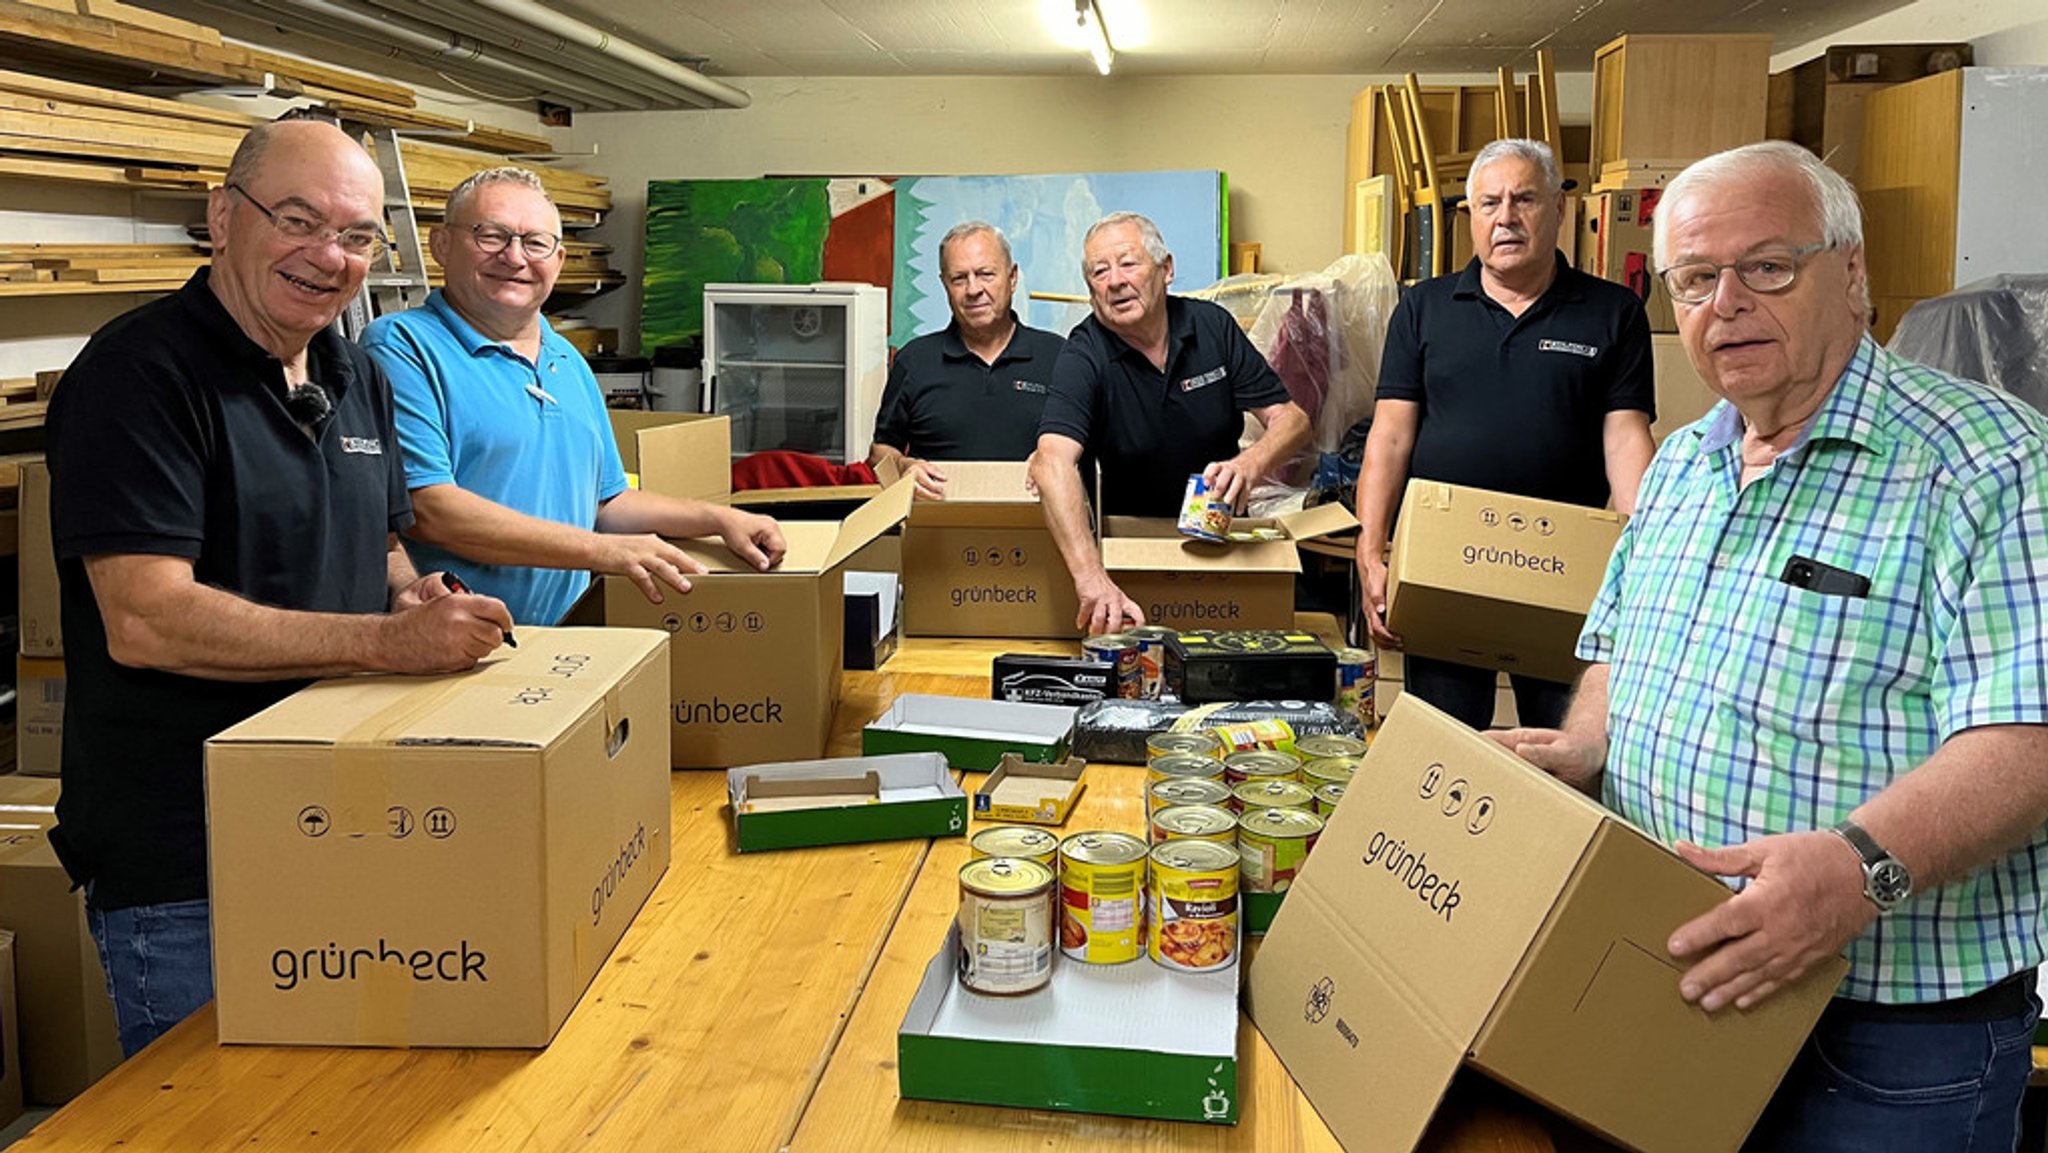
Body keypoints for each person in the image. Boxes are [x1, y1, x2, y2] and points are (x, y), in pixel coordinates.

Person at [1492, 141, 2048, 1152]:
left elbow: (2029, 740)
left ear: (1850, 273)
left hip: (1881, 1037)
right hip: (1669, 981)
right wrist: (1584, 746)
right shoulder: (1680, 467)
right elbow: (1621, 646)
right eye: (1696, 279)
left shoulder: (1987, 463)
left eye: (1766, 267)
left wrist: (1857, 869)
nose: (1726, 303)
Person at [45, 118, 516, 1056]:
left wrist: (408, 596)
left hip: (346, 826)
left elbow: (378, 548)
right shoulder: (140, 375)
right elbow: (145, 618)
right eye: (298, 220)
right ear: (222, 216)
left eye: (355, 236)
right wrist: (385, 646)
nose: (327, 256)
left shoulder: (352, 372)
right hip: (195, 863)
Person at [364, 167, 786, 626]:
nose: (514, 257)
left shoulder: (567, 359)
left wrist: (718, 519)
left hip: (561, 639)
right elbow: (429, 510)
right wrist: (603, 551)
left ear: (559, 260)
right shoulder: (402, 347)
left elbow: (607, 503)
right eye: (491, 236)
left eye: (535, 242)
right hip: (455, 642)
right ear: (441, 244)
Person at [1356, 138, 1655, 731]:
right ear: (1470, 217)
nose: (1506, 218)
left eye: (1524, 199)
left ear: (1559, 208)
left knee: (1565, 747)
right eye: (1489, 204)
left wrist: (1644, 559)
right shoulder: (1424, 308)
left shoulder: (1613, 312)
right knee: (1439, 742)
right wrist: (1371, 550)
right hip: (1445, 565)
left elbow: (1626, 439)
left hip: (1563, 569)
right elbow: (1389, 437)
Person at [1030, 211, 1311, 634]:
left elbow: (1293, 420)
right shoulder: (1084, 354)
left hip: (1220, 540)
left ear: (1167, 269)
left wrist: (1250, 463)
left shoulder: (1211, 327)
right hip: (1129, 552)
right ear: (1091, 292)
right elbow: (1051, 462)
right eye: (1099, 272)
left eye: (1128, 263)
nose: (1115, 281)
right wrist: (1090, 578)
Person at [869, 221, 1064, 500]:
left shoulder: (1058, 357)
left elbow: (1089, 447)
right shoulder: (914, 361)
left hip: (1039, 526)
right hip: (937, 528)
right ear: (944, 284)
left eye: (986, 274)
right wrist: (903, 466)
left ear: (1012, 278)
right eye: (959, 278)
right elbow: (880, 451)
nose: (973, 289)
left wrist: (1056, 456)